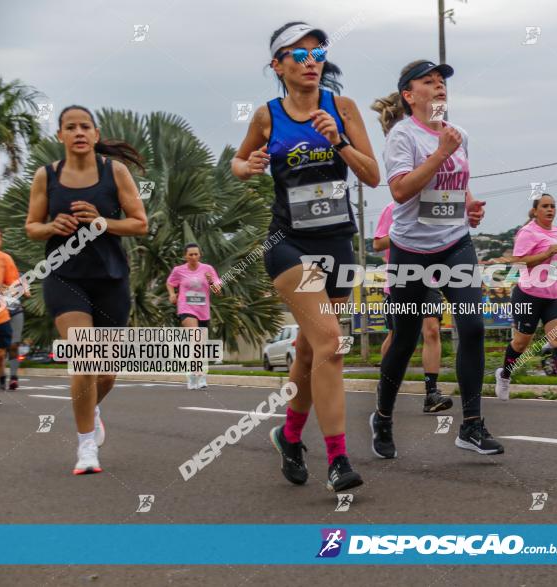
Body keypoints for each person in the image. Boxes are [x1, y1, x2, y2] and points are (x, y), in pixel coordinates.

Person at [231, 21, 380, 492]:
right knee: (332, 343)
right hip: (288, 243)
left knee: (308, 351)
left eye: (317, 53)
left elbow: (373, 176)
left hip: (337, 242)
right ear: (278, 65)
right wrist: (247, 166)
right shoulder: (266, 116)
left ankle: (290, 436)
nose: (311, 61)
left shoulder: (344, 108)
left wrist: (338, 139)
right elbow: (238, 161)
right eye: (299, 54)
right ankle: (338, 459)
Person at [369, 59, 503, 458]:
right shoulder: (402, 136)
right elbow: (400, 191)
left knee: (474, 326)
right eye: (429, 82)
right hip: (410, 250)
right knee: (406, 338)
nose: (439, 86)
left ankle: (472, 425)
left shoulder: (458, 135)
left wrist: (470, 205)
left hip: (454, 243)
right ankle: (383, 416)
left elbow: (457, 185)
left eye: (442, 81)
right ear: (409, 96)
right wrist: (439, 154)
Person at [25, 105, 148, 474]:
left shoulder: (116, 172)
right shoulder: (46, 176)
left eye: (85, 126)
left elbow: (139, 224)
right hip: (64, 275)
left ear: (95, 135)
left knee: (105, 373)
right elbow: (32, 225)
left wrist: (100, 221)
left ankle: (91, 407)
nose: (78, 132)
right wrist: (51, 228)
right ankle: (85, 448)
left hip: (110, 277)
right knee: (84, 355)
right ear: (60, 136)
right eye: (70, 127)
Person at [494, 193, 557, 405]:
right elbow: (518, 262)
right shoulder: (527, 232)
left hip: (555, 294)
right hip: (529, 294)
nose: (550, 210)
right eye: (545, 206)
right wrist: (544, 255)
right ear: (535, 211)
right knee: (521, 343)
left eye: (553, 206)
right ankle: (504, 375)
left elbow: (556, 259)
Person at [373, 201, 452, 412]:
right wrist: (405, 235)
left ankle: (431, 394)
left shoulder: (432, 206)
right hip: (400, 279)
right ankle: (385, 383)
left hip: (429, 279)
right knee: (398, 335)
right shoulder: (392, 208)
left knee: (432, 331)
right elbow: (378, 244)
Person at [167, 243, 221, 389]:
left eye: (196, 254)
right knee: (195, 338)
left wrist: (210, 281)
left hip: (203, 311)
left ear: (200, 255)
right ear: (185, 256)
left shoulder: (208, 269)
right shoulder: (179, 270)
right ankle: (195, 374)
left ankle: (198, 374)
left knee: (200, 345)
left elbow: (217, 291)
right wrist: (172, 294)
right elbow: (170, 283)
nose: (193, 257)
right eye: (190, 254)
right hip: (186, 308)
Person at [0, 234, 21, 396]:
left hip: (6, 313)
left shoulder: (5, 260)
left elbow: (14, 286)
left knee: (5, 350)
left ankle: (9, 377)